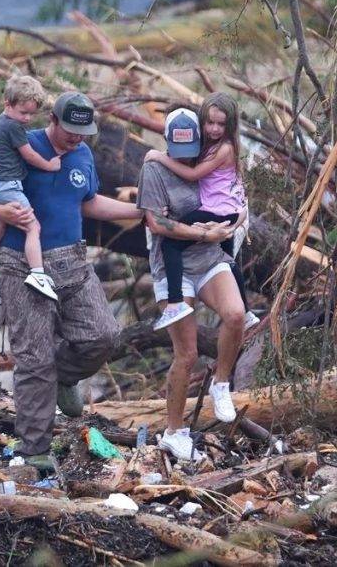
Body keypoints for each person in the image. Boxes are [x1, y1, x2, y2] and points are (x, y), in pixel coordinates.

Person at [0, 91, 142, 468]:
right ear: (53, 120)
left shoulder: (83, 154)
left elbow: (88, 202)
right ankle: (35, 451)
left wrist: (137, 211)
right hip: (20, 263)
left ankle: (61, 377)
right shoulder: (21, 141)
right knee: (33, 358)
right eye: (70, 130)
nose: (76, 138)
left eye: (83, 132)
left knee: (103, 335)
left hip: (72, 260)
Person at [136, 108, 247, 462]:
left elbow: (236, 198)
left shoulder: (209, 158)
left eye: (190, 150)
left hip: (209, 258)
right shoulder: (154, 170)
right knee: (187, 354)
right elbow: (156, 223)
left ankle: (221, 383)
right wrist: (201, 233)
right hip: (174, 268)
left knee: (236, 314)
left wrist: (232, 223)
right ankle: (174, 432)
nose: (184, 158)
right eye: (177, 151)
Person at [144, 93, 258, 331]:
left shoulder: (224, 148)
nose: (214, 129)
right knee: (227, 260)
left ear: (230, 124)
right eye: (210, 122)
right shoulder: (211, 147)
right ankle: (247, 313)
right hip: (227, 211)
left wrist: (158, 156)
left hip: (218, 212)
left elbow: (193, 174)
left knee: (170, 244)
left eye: (220, 124)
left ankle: (175, 302)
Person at [0, 75, 61, 304]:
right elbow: (29, 155)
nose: (27, 119)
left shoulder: (1, 122)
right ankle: (37, 274)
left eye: (31, 114)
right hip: (6, 186)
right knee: (33, 227)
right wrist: (50, 165)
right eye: (23, 113)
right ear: (7, 104)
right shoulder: (13, 127)